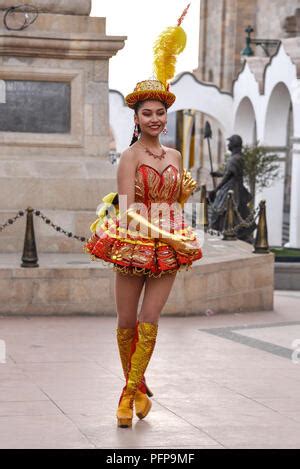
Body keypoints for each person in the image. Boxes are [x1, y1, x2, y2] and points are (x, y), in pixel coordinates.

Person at [83, 4, 203, 428]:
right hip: (135, 239)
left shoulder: (173, 153)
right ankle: (136, 387)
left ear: (166, 117)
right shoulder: (129, 156)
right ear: (136, 118)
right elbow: (131, 205)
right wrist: (161, 231)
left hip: (172, 241)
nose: (155, 118)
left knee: (150, 320)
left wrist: (182, 201)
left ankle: (127, 394)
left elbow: (170, 199)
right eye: (147, 113)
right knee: (126, 320)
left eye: (160, 112)